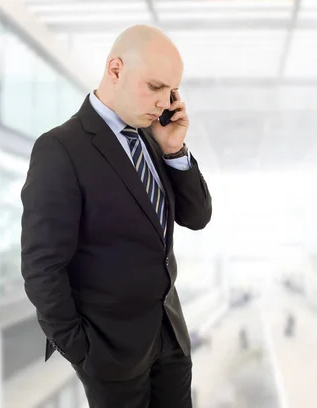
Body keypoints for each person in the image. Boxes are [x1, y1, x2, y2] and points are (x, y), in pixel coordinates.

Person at [20, 24, 212, 408]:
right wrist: (83, 351)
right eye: (155, 87)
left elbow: (197, 216)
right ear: (115, 70)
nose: (164, 103)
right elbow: (42, 266)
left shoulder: (152, 135)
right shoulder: (61, 148)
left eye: (171, 91)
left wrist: (174, 151)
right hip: (110, 354)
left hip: (170, 337)